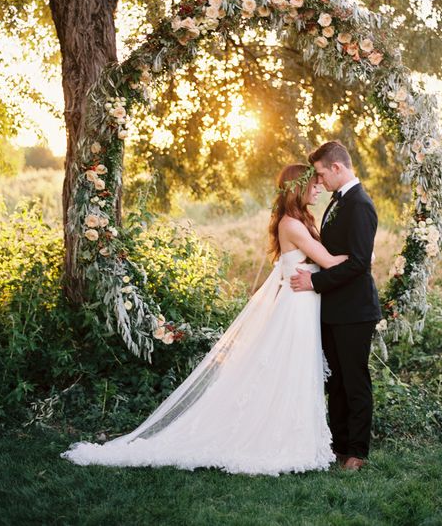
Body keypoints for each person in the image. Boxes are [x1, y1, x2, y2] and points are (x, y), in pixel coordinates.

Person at [61, 164, 348, 476]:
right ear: (299, 187)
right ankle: (281, 439)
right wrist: (362, 258)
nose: (319, 189)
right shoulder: (292, 224)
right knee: (290, 369)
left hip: (303, 304)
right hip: (295, 307)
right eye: (314, 184)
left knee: (297, 368)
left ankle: (299, 437)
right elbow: (330, 262)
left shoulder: (298, 220)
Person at [291, 140, 381, 471]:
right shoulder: (337, 202)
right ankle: (339, 447)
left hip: (355, 312)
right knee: (337, 382)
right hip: (332, 310)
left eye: (321, 173)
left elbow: (359, 264)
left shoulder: (359, 204)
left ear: (337, 168)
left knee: (355, 381)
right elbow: (333, 253)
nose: (319, 181)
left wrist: (314, 282)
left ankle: (357, 452)